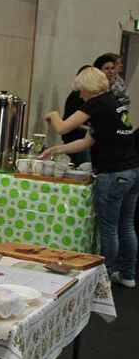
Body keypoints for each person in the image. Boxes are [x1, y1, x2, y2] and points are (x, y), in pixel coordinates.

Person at [42, 67, 139, 287]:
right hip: (133, 170)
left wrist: (52, 114)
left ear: (87, 88)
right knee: (126, 225)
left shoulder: (95, 103)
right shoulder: (114, 102)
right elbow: (87, 142)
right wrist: (56, 150)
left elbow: (62, 127)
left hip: (113, 174)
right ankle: (128, 275)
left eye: (81, 91)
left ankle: (104, 278)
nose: (80, 95)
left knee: (109, 229)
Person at [61, 65, 92, 166]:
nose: (81, 96)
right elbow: (64, 126)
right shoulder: (76, 96)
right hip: (76, 138)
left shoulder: (100, 101)